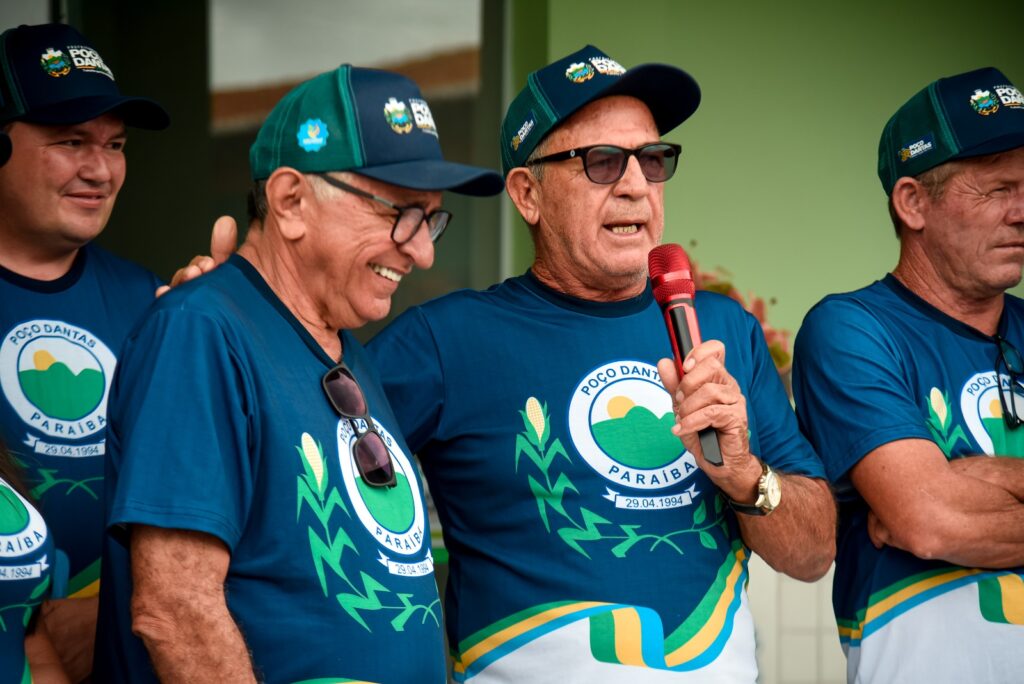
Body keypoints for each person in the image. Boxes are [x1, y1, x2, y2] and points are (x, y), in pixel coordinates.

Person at [178, 46, 836, 682]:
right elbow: (283, 462)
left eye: (653, 159)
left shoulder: (720, 331)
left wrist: (748, 478)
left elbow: (813, 555)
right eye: (604, 162)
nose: (637, 185)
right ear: (527, 194)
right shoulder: (449, 339)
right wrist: (242, 312)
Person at [92, 65, 502, 682]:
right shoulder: (200, 330)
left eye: (433, 219)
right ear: (290, 202)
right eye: (402, 213)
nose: (423, 252)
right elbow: (176, 609)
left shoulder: (344, 346)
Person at [793, 67, 1024, 682]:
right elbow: (929, 521)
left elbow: (927, 513)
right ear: (913, 203)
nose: (1022, 211)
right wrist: (936, 501)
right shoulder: (852, 329)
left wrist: (980, 478)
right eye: (997, 189)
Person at [0, 23, 169, 681]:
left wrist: (112, 610)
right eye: (70, 142)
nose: (100, 170)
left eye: (115, 145)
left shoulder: (148, 297)